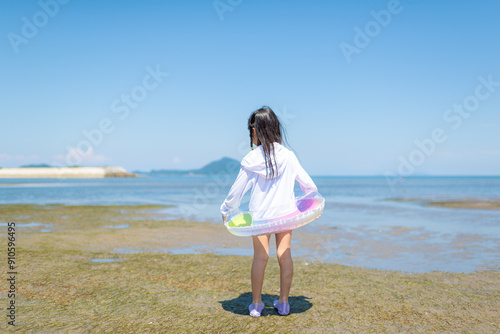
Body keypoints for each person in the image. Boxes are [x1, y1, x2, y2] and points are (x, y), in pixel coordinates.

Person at [220, 106, 318, 317]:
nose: (250, 134)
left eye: (251, 130)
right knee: (284, 254)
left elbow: (237, 191)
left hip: (261, 217)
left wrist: (226, 209)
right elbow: (308, 185)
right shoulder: (288, 156)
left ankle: (256, 305)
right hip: (286, 214)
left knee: (260, 257)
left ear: (257, 130)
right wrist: (307, 200)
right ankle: (283, 304)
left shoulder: (252, 159)